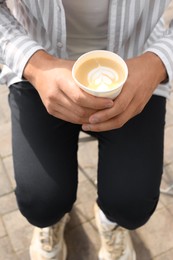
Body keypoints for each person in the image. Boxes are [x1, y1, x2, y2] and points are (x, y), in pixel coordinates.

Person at [0, 1, 173, 259]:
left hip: (140, 60)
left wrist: (159, 62)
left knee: (132, 205)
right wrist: (33, 63)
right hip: (39, 61)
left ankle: (111, 220)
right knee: (40, 202)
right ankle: (53, 219)